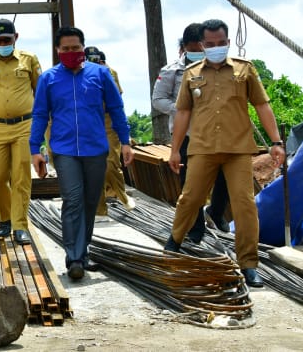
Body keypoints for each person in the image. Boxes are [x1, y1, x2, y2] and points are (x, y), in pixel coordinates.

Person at [164, 19, 286, 288]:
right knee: (190, 198)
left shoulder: (245, 69)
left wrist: (276, 141)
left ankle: (249, 264)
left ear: (228, 42)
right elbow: (183, 112)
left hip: (237, 150)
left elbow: (262, 105)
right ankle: (174, 242)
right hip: (202, 148)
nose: (216, 47)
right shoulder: (192, 73)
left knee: (244, 205)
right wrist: (174, 150)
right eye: (210, 44)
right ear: (202, 45)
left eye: (221, 43)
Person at [30, 27, 133, 281]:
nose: (71, 52)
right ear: (58, 50)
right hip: (64, 149)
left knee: (90, 201)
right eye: (65, 48)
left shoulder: (100, 74)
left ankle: (83, 251)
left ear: (83, 48)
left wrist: (125, 141)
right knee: (73, 199)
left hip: (95, 148)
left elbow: (116, 108)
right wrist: (35, 149)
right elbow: (40, 114)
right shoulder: (49, 79)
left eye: (75, 48)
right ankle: (74, 258)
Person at [152, 23, 230, 240]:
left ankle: (216, 211)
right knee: (191, 183)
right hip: (187, 135)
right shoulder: (171, 71)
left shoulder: (220, 67)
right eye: (193, 49)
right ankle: (195, 227)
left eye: (201, 49)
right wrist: (180, 109)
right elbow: (158, 100)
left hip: (218, 132)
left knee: (225, 175)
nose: (198, 53)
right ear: (184, 48)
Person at [0, 18, 41, 245]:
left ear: (16, 38)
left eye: (7, 40)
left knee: (21, 176)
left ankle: (20, 225)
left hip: (24, 126)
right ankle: (4, 218)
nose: (3, 44)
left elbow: (40, 90)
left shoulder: (29, 60)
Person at [83, 46, 136, 218]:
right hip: (88, 121)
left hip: (108, 121)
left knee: (111, 164)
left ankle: (122, 195)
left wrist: (125, 134)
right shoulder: (77, 73)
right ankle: (99, 209)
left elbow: (117, 102)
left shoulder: (110, 73)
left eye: (96, 60)